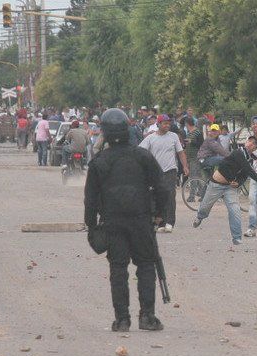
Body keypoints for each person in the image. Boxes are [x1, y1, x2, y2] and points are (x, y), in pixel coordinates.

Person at [84, 108, 168, 332]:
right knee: (146, 266)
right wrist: (161, 214)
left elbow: (90, 200)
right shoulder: (142, 156)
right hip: (141, 221)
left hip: (113, 223)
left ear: (106, 133)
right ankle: (147, 316)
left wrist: (92, 226)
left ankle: (122, 320)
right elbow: (162, 187)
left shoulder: (99, 162)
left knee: (118, 269)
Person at [192, 137, 257, 245]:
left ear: (255, 147)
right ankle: (199, 216)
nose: (250, 144)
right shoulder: (238, 153)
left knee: (235, 211)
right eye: (249, 141)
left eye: (253, 143)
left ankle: (236, 238)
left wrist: (238, 183)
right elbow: (248, 169)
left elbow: (244, 174)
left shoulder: (250, 159)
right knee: (205, 207)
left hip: (230, 188)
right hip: (215, 185)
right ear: (246, 142)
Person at [138, 115, 189, 233]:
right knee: (156, 197)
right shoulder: (151, 138)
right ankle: (160, 223)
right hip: (155, 172)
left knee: (170, 196)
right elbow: (140, 152)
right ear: (159, 124)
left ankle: (170, 222)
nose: (167, 125)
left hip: (170, 170)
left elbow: (180, 153)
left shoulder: (174, 136)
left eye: (168, 123)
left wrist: (185, 166)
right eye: (165, 123)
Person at [183, 117, 203, 184]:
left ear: (187, 124)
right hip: (189, 157)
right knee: (195, 176)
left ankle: (192, 194)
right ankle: (201, 193)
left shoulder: (197, 132)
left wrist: (191, 141)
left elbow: (201, 144)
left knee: (193, 177)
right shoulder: (188, 133)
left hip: (195, 157)